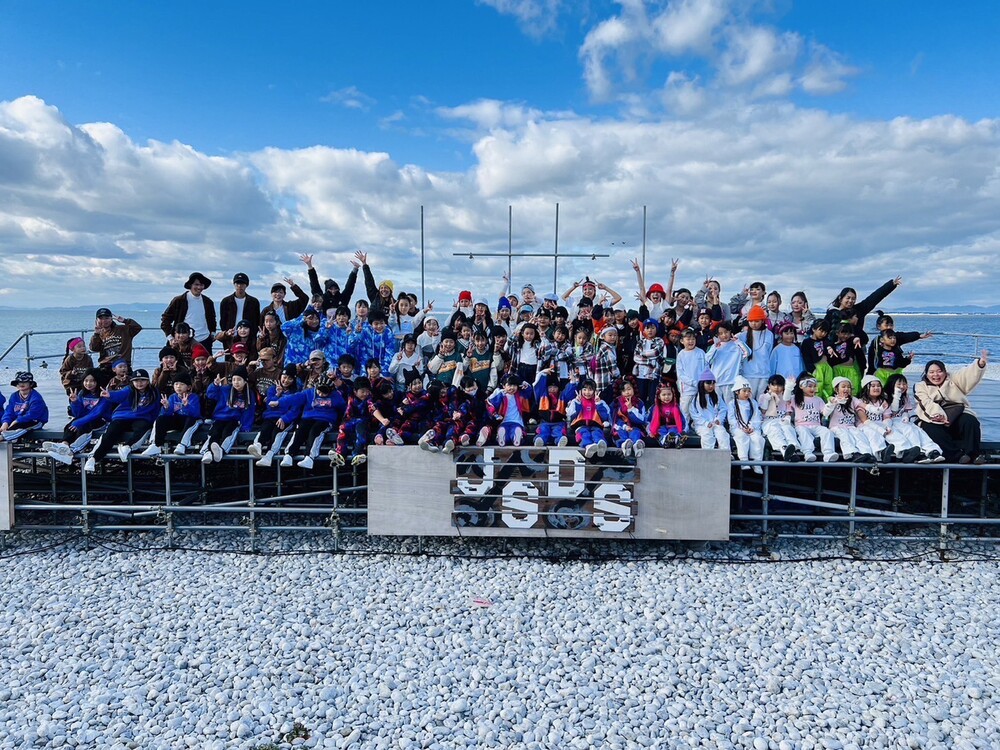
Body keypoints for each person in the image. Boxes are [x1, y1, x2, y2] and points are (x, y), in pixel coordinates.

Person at [914, 352, 989, 464]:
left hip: (956, 413)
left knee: (970, 421)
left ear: (945, 372)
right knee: (930, 429)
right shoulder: (920, 386)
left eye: (939, 371)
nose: (936, 375)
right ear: (926, 373)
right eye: (932, 372)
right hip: (932, 417)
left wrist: (979, 365)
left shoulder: (953, 379)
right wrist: (939, 415)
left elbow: (966, 375)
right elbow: (925, 402)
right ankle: (958, 456)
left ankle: (973, 455)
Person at [83, 369, 160, 471]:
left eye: (142, 380)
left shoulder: (154, 392)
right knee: (110, 434)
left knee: (143, 428)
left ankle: (127, 446)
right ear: (132, 382)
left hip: (142, 418)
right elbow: (119, 394)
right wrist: (109, 395)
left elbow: (156, 409)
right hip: (122, 417)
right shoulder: (129, 389)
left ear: (148, 381)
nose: (139, 383)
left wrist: (153, 421)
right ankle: (93, 458)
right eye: (136, 381)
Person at [279, 376, 346, 469]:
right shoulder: (309, 392)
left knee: (315, 431)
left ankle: (309, 457)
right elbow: (295, 398)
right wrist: (279, 402)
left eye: (324, 392)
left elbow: (343, 408)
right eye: (319, 391)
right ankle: (289, 454)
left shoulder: (336, 396)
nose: (321, 394)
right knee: (300, 429)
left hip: (325, 420)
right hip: (308, 418)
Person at [44, 369, 109, 464]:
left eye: (92, 381)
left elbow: (97, 413)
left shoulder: (103, 394)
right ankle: (64, 444)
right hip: (85, 418)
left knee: (83, 427)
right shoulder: (82, 393)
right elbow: (78, 414)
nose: (88, 383)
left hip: (100, 420)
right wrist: (74, 402)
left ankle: (71, 451)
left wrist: (79, 422)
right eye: (86, 381)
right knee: (70, 426)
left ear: (98, 381)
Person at [884, 373, 945, 464]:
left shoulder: (905, 397)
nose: (902, 386)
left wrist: (905, 416)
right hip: (890, 422)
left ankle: (932, 451)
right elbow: (893, 410)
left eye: (904, 384)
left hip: (901, 420)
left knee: (919, 432)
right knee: (909, 432)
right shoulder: (885, 396)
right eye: (899, 384)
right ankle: (918, 453)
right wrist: (897, 395)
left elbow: (905, 410)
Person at [248, 364, 300, 467]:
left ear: (294, 380)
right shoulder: (272, 389)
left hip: (285, 419)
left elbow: (295, 410)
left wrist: (284, 418)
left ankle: (269, 455)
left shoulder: (295, 393)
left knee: (276, 433)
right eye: (284, 377)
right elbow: (269, 405)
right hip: (271, 417)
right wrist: (277, 394)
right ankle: (258, 445)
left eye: (290, 378)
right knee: (265, 429)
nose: (286, 380)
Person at [200, 369, 256, 464]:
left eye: (239, 380)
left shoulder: (248, 394)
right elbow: (211, 395)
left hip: (234, 420)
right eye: (234, 380)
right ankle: (209, 451)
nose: (236, 382)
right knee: (215, 432)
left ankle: (222, 450)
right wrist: (215, 385)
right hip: (220, 418)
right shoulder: (225, 389)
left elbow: (249, 412)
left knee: (228, 432)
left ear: (245, 381)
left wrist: (246, 427)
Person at [140, 373, 203, 457]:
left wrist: (187, 406)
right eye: (176, 384)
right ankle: (156, 445)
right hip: (178, 420)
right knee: (160, 419)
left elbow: (195, 414)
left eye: (182, 384)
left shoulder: (194, 397)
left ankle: (182, 445)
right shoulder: (173, 397)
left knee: (191, 420)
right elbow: (167, 414)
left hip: (190, 420)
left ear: (188, 387)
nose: (178, 386)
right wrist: (166, 407)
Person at [823, 376, 883, 463]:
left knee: (859, 435)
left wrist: (876, 409)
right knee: (845, 436)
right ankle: (852, 454)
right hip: (837, 427)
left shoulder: (853, 400)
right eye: (843, 387)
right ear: (836, 389)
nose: (846, 389)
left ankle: (866, 453)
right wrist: (831, 404)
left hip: (851, 426)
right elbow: (825, 413)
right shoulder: (833, 400)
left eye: (848, 387)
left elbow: (864, 405)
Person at [160, 272, 217, 350]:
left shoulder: (208, 302)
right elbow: (165, 320)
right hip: (182, 341)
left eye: (201, 285)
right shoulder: (179, 300)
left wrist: (213, 334)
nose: (199, 287)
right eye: (196, 284)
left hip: (204, 340)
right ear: (190, 285)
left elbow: (212, 320)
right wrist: (170, 338)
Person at [790, 373, 838, 464]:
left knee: (827, 432)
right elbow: (786, 399)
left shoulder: (818, 399)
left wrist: (831, 404)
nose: (813, 389)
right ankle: (808, 452)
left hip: (816, 425)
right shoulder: (795, 398)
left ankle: (828, 453)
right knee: (803, 433)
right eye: (810, 386)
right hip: (801, 425)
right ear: (801, 386)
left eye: (814, 386)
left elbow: (825, 413)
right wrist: (789, 386)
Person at [758, 375, 802, 462]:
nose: (776, 388)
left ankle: (792, 449)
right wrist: (768, 398)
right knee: (775, 431)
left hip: (782, 420)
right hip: (769, 421)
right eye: (774, 385)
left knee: (788, 429)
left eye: (779, 385)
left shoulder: (786, 397)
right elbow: (763, 411)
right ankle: (784, 450)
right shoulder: (763, 396)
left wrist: (787, 419)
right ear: (769, 385)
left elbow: (788, 412)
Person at [566, 378, 611, 458]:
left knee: (597, 433)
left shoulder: (600, 402)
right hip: (580, 425)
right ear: (581, 390)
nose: (587, 392)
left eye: (590, 390)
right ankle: (588, 446)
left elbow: (606, 416)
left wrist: (599, 404)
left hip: (595, 425)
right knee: (584, 434)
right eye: (585, 389)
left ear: (595, 391)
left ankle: (601, 446)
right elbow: (571, 415)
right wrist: (578, 403)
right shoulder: (575, 401)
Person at [0, 371, 48, 442]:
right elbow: (9, 411)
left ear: (31, 384)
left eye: (25, 382)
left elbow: (33, 415)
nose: (21, 384)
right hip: (18, 420)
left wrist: (17, 421)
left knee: (22, 428)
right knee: (6, 426)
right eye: (19, 382)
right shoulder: (14, 396)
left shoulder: (36, 398)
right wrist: (5, 422)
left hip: (35, 421)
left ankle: (3, 437)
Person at [729, 376, 764, 474]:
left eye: (748, 391)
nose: (747, 393)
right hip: (738, 428)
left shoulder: (753, 402)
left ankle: (757, 463)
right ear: (737, 392)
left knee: (757, 438)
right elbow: (731, 418)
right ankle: (744, 460)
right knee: (741, 437)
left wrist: (752, 426)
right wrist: (742, 427)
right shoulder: (732, 403)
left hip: (752, 428)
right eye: (744, 391)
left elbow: (756, 416)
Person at [690, 369, 729, 452]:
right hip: (702, 425)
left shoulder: (716, 396)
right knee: (707, 435)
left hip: (715, 423)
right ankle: (709, 455)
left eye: (713, 383)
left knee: (722, 434)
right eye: (708, 383)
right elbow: (694, 414)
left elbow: (723, 409)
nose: (711, 386)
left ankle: (725, 455)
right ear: (702, 384)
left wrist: (719, 419)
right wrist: (706, 423)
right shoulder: (696, 399)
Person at [611, 379, 648, 458]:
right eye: (624, 391)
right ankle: (625, 445)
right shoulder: (616, 402)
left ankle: (637, 445)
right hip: (621, 427)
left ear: (633, 389)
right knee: (621, 433)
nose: (627, 392)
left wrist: (631, 409)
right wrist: (624, 426)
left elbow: (642, 420)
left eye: (629, 389)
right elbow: (613, 419)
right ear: (621, 392)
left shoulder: (639, 402)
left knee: (636, 432)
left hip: (635, 427)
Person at [648, 383, 686, 448]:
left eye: (669, 394)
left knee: (673, 432)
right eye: (664, 395)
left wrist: (681, 430)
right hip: (661, 427)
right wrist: (652, 431)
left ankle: (677, 440)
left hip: (673, 426)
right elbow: (652, 420)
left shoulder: (676, 407)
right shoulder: (655, 407)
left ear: (672, 395)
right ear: (659, 396)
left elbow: (681, 420)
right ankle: (665, 440)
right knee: (661, 432)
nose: (666, 397)